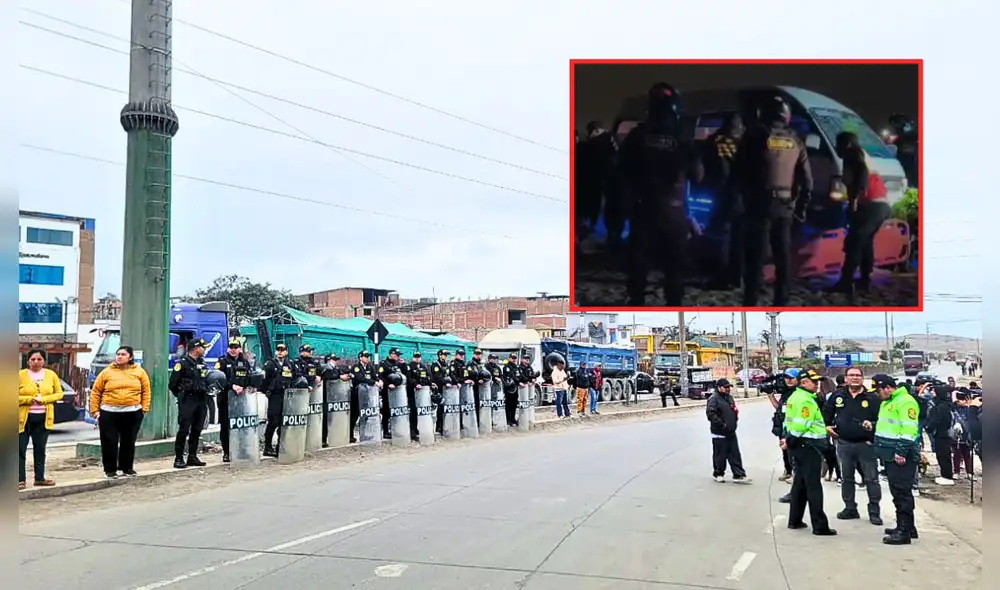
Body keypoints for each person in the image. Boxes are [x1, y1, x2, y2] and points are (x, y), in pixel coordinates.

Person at [619, 82, 704, 306]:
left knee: (639, 264)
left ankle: (637, 301)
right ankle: (674, 305)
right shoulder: (683, 138)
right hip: (673, 210)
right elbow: (698, 175)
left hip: (643, 208)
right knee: (674, 266)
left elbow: (621, 171)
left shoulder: (637, 135)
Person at [732, 94, 813, 306]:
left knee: (755, 258)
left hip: (759, 204)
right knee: (783, 256)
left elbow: (737, 172)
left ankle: (750, 303)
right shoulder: (796, 140)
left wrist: (740, 201)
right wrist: (800, 208)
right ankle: (782, 302)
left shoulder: (755, 135)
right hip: (785, 206)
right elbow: (807, 181)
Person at [828, 131, 891, 297]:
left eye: (839, 143)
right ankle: (864, 280)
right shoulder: (862, 154)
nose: (837, 147)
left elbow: (862, 173)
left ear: (847, 144)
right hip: (881, 206)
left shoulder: (853, 154)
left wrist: (854, 199)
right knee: (865, 242)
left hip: (870, 205)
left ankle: (846, 282)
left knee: (855, 242)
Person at [822, 366, 882, 525]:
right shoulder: (837, 396)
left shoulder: (872, 398)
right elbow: (826, 414)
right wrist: (827, 427)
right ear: (846, 378)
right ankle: (850, 508)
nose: (855, 378)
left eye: (858, 375)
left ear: (862, 378)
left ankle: (874, 511)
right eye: (851, 375)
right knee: (847, 478)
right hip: (844, 444)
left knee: (872, 479)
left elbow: (881, 421)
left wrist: (873, 427)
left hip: (866, 445)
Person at [780, 368, 836, 536]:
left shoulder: (795, 397)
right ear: (804, 382)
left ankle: (795, 520)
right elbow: (800, 426)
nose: (818, 385)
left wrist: (788, 441)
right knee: (813, 486)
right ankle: (820, 526)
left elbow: (789, 423)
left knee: (800, 484)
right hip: (808, 446)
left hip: (800, 446)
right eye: (815, 382)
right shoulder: (805, 401)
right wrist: (790, 441)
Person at [871, 374, 921, 545]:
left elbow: (909, 429)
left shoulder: (905, 401)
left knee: (901, 493)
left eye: (878, 391)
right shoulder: (888, 401)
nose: (877, 395)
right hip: (889, 454)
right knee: (898, 491)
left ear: (887, 387)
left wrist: (900, 451)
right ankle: (908, 527)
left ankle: (904, 532)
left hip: (901, 455)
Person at [90, 346, 151, 478]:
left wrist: (144, 409)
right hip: (109, 412)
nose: (119, 356)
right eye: (118, 354)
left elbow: (146, 391)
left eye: (123, 354)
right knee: (109, 441)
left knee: (128, 441)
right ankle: (110, 470)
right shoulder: (106, 372)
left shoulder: (139, 372)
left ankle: (127, 468)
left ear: (130, 357)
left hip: (132, 412)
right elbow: (96, 391)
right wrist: (94, 410)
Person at [705, 112, 745, 290]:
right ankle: (737, 278)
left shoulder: (717, 141)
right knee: (739, 239)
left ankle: (722, 277)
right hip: (744, 195)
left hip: (724, 193)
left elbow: (717, 169)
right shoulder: (746, 142)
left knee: (721, 237)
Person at [17, 349, 63, 490]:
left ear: (44, 361)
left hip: (43, 418)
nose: (36, 362)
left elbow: (59, 393)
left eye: (39, 359)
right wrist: (29, 399)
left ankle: (40, 478)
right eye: (33, 359)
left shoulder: (51, 375)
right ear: (28, 361)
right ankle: (20, 480)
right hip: (23, 419)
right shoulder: (20, 375)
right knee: (19, 449)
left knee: (40, 449)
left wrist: (44, 399)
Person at [168, 338, 210, 469]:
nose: (205, 349)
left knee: (197, 429)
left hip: (201, 399)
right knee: (184, 429)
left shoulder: (202, 362)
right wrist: (182, 396)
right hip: (188, 399)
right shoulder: (182, 363)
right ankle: (179, 458)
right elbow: (172, 384)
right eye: (203, 347)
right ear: (196, 348)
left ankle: (192, 456)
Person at [215, 338, 251, 463]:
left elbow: (249, 377)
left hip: (241, 398)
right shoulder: (222, 362)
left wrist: (247, 386)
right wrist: (232, 386)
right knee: (225, 426)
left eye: (236, 347)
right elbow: (218, 379)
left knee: (241, 425)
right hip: (225, 398)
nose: (233, 349)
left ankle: (241, 450)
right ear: (228, 348)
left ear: (240, 349)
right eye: (231, 347)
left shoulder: (245, 362)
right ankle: (226, 452)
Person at [706, 379, 749, 483]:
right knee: (720, 454)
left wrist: (734, 421)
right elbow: (711, 414)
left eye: (729, 387)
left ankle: (738, 475)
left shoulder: (729, 398)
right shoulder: (713, 399)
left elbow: (733, 410)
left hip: (731, 430)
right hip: (719, 432)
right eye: (726, 387)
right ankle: (718, 473)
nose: (728, 389)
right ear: (719, 387)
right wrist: (722, 425)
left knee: (735, 454)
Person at [261, 343, 297, 456]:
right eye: (278, 350)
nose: (280, 352)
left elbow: (296, 377)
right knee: (273, 421)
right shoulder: (270, 364)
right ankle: (267, 447)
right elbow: (264, 380)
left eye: (282, 350)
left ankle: (280, 447)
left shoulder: (290, 364)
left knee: (283, 422)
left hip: (286, 395)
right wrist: (266, 391)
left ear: (286, 352)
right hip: (275, 395)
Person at [926, 384, 955, 486]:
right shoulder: (943, 404)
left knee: (943, 455)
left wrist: (929, 427)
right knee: (943, 455)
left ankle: (947, 476)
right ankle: (946, 475)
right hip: (942, 434)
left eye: (933, 391)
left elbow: (937, 420)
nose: (931, 393)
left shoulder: (941, 406)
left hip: (942, 434)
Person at [350, 350, 379, 441]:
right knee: (354, 415)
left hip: (367, 394)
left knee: (365, 415)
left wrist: (378, 381)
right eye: (366, 357)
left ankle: (364, 434)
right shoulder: (356, 367)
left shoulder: (370, 367)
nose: (367, 358)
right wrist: (374, 382)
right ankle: (350, 435)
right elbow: (360, 378)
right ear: (360, 357)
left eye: (368, 357)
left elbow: (374, 376)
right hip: (357, 394)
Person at [377, 347, 403, 439]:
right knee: (386, 411)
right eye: (396, 355)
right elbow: (380, 376)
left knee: (397, 410)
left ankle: (395, 429)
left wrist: (403, 364)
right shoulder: (383, 364)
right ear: (391, 354)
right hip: (387, 391)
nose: (398, 357)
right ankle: (385, 431)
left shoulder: (397, 363)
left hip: (397, 391)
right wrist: (388, 384)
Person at [406, 351, 431, 440]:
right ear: (413, 357)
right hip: (412, 393)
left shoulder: (423, 366)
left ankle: (418, 429)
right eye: (416, 357)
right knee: (413, 412)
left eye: (419, 357)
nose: (417, 358)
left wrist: (430, 384)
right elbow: (409, 378)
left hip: (423, 393)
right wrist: (415, 384)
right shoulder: (410, 366)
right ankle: (412, 430)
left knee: (422, 411)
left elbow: (428, 377)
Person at [951, 390, 975, 480]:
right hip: (956, 435)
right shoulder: (954, 409)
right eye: (961, 400)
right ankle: (956, 472)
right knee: (957, 454)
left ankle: (970, 472)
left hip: (967, 435)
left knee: (967, 455)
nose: (963, 402)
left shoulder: (969, 409)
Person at [430, 349, 452, 434]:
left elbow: (448, 375)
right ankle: (438, 427)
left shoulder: (446, 364)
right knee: (439, 408)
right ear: (440, 355)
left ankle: (444, 425)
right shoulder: (436, 365)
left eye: (446, 355)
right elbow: (437, 377)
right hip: (439, 389)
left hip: (446, 389)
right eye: (444, 355)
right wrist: (445, 383)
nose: (446, 356)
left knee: (445, 408)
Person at [502, 353, 520, 426]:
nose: (514, 359)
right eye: (512, 358)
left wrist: (518, 381)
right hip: (508, 388)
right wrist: (516, 379)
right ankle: (508, 420)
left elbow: (518, 376)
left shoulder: (516, 367)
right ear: (509, 358)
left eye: (515, 358)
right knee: (508, 404)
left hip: (515, 387)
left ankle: (513, 419)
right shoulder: (507, 367)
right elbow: (511, 376)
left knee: (514, 404)